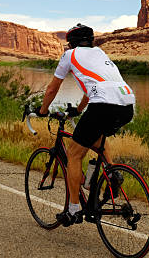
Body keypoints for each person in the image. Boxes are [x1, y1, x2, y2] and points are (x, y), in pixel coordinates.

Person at [36, 23, 135, 226]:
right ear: (91, 41)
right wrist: (80, 110)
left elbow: (52, 89)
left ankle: (72, 210)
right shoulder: (100, 53)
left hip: (103, 106)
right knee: (96, 138)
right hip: (126, 104)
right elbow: (95, 88)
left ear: (71, 43)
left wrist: (43, 110)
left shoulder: (69, 55)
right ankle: (112, 173)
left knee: (73, 154)